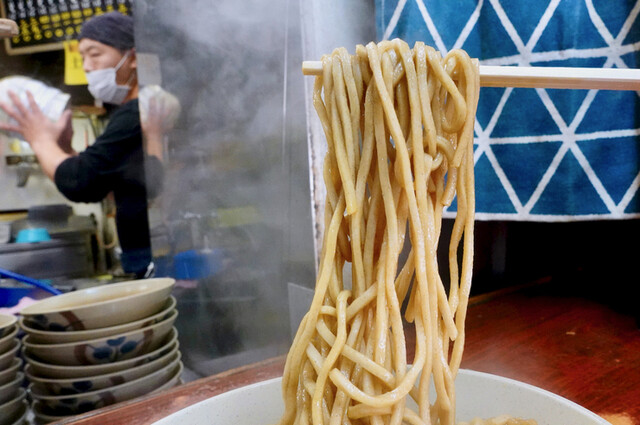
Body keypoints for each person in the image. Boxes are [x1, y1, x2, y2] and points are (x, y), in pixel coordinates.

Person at [0, 12, 161, 279]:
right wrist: (65, 151)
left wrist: (39, 138)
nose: (86, 66)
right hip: (140, 256)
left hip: (153, 255)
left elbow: (80, 181)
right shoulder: (132, 111)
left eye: (95, 54)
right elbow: (102, 186)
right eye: (83, 57)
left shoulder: (139, 111)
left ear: (132, 58)